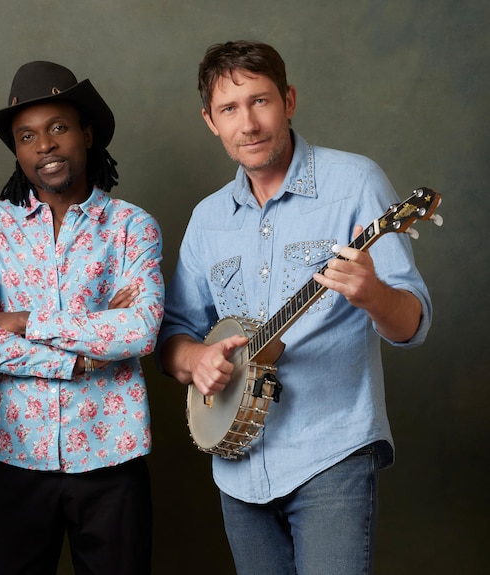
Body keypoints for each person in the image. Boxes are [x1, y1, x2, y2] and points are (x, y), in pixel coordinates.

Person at [157, 40, 432, 574]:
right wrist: (196, 360)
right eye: (229, 109)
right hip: (236, 462)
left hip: (331, 449)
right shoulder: (207, 218)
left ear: (289, 100)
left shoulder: (355, 183)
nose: (249, 123)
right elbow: (175, 334)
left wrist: (371, 293)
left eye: (260, 101)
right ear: (211, 122)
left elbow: (413, 324)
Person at [0, 61, 164, 574]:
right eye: (27, 136)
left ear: (87, 134)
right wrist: (81, 357)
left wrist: (26, 322)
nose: (44, 145)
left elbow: (140, 330)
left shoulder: (133, 227)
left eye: (58, 128)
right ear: (17, 150)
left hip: (113, 454)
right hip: (13, 452)